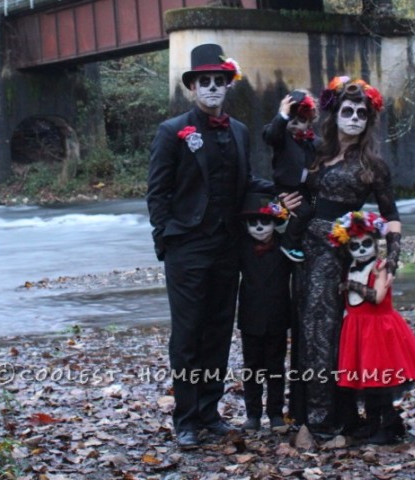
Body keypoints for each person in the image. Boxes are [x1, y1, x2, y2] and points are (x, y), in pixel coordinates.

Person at [146, 43, 274, 450]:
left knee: (218, 331)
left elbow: (248, 181)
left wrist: (286, 193)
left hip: (227, 248)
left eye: (220, 81)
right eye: (206, 82)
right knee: (187, 334)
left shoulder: (238, 131)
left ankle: (208, 411)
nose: (214, 88)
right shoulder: (172, 132)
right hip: (186, 247)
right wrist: (164, 241)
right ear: (193, 87)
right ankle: (184, 418)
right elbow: (158, 192)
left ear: (228, 86)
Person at [289, 75, 402, 439]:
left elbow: (391, 216)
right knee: (308, 330)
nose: (354, 118)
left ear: (369, 121)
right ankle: (312, 413)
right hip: (305, 252)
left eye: (362, 113)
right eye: (347, 110)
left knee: (329, 332)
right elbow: (293, 183)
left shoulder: (373, 165)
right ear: (334, 113)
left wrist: (391, 260)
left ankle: (326, 422)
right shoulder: (318, 153)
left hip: (345, 255)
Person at [329, 211, 415, 444]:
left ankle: (390, 424)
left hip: (378, 329)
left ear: (375, 244)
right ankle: (373, 422)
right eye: (356, 246)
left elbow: (377, 296)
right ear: (348, 249)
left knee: (379, 378)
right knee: (364, 378)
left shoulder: (380, 266)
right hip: (356, 328)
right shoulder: (350, 266)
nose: (362, 249)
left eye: (367, 244)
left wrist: (350, 285)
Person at [237, 193, 292, 433]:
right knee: (252, 367)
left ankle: (276, 413)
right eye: (253, 223)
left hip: (278, 315)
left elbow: (301, 222)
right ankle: (253, 414)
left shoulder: (285, 244)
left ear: (275, 223)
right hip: (250, 316)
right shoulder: (240, 247)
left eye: (265, 222)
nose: (259, 227)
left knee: (276, 366)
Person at [262, 89, 318, 262]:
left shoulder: (312, 143)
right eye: (291, 118)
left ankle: (296, 241)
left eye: (301, 120)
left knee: (309, 212)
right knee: (304, 212)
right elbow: (271, 135)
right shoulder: (281, 137)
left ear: (309, 124)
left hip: (303, 188)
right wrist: (282, 115)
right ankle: (289, 244)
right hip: (285, 188)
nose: (295, 123)